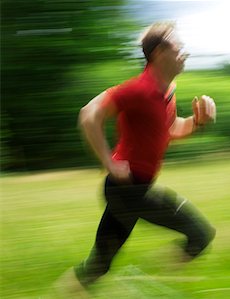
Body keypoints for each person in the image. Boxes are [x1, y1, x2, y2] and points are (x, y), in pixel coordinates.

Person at [64, 22, 217, 292]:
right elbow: (89, 114)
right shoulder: (138, 90)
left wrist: (197, 122)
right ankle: (156, 286)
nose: (185, 52)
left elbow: (169, 130)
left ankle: (67, 293)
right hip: (128, 188)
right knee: (200, 235)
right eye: (178, 47)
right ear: (159, 53)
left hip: (130, 191)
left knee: (97, 267)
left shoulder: (167, 92)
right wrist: (108, 161)